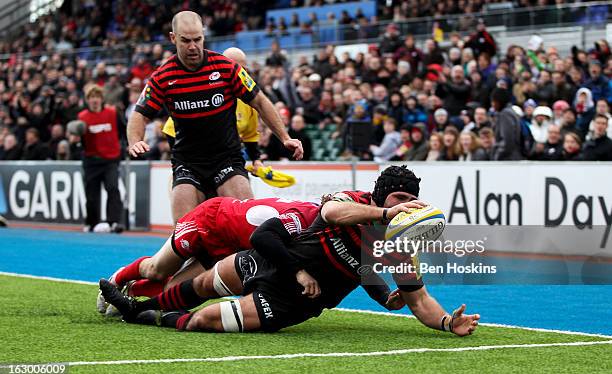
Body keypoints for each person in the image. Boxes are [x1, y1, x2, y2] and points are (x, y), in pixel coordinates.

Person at [100, 166, 480, 336]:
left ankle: (142, 317)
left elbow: (421, 302)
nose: (406, 206)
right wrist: (384, 212)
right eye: (400, 198)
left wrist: (448, 322)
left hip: (292, 301)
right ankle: (139, 304)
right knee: (201, 284)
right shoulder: (353, 201)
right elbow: (332, 212)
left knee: (205, 321)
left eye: (413, 201)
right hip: (274, 262)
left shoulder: (397, 247)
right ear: (381, 196)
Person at [127, 11, 303, 224]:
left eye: (197, 39)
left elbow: (260, 102)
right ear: (173, 38)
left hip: (226, 159)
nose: (192, 46)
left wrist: (285, 137)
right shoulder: (163, 76)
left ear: (203, 36)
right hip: (187, 163)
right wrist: (135, 141)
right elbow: (140, 114)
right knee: (186, 234)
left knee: (248, 223)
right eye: (185, 40)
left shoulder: (225, 67)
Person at [97, 197, 320, 314]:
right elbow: (265, 242)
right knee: (157, 270)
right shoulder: (304, 220)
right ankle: (119, 278)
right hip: (210, 220)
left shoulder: (315, 217)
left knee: (172, 294)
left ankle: (132, 291)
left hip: (230, 245)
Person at [161, 47, 265, 173]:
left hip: (227, 159)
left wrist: (256, 160)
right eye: (231, 67)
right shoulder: (204, 90)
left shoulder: (249, 101)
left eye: (242, 69)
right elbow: (171, 129)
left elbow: (250, 135)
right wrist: (181, 164)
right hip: (194, 159)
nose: (236, 73)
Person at [78, 85, 125, 233]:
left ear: (101, 99)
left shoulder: (112, 113)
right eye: (91, 97)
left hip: (111, 159)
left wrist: (126, 145)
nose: (94, 100)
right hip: (91, 160)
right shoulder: (82, 117)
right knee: (91, 194)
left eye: (97, 97)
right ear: (87, 100)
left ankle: (114, 222)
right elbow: (80, 139)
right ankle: (91, 223)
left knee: (113, 188)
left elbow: (123, 129)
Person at [491, 87, 525, 160]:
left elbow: (507, 141)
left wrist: (497, 156)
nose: (492, 104)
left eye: (493, 101)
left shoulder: (505, 114)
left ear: (499, 101)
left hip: (508, 159)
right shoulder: (510, 112)